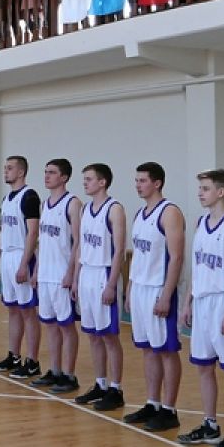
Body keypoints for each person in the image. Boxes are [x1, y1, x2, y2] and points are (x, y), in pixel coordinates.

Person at [178, 169, 224, 447]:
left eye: (205, 188)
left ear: (221, 192)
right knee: (204, 367)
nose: (200, 193)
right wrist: (187, 302)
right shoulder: (200, 222)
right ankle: (210, 424)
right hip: (202, 302)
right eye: (200, 188)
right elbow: (197, 268)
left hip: (223, 301)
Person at [122, 162, 185, 433]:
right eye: (136, 180)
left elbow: (177, 257)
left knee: (166, 350)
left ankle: (169, 409)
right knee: (148, 349)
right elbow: (136, 256)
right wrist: (129, 288)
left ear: (157, 183)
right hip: (140, 288)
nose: (138, 185)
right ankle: (152, 402)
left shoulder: (169, 212)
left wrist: (167, 294)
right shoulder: (139, 214)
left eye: (143, 180)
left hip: (159, 289)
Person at [72, 164, 126, 412]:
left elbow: (119, 251)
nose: (85, 183)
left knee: (109, 335)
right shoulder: (85, 209)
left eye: (89, 179)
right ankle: (100, 383)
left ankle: (116, 388)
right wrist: (76, 278)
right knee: (93, 335)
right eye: (84, 179)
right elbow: (81, 246)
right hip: (87, 273)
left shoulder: (114, 209)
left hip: (104, 273)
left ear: (102, 182)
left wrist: (112, 284)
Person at [30, 158, 82, 394]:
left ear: (64, 177)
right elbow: (43, 242)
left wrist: (72, 273)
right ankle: (55, 369)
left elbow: (78, 242)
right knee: (50, 325)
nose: (47, 176)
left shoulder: (73, 203)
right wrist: (36, 270)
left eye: (52, 172)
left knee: (66, 326)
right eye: (45, 172)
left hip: (62, 275)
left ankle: (69, 375)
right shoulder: (45, 204)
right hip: (45, 275)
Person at [0, 156, 41, 379]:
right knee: (13, 310)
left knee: (28, 311)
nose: (5, 171)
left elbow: (33, 232)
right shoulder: (7, 198)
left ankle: (33, 361)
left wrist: (24, 264)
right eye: (5, 168)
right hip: (7, 256)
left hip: (21, 255)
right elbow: (3, 232)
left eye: (10, 168)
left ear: (21, 172)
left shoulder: (29, 197)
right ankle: (14, 355)